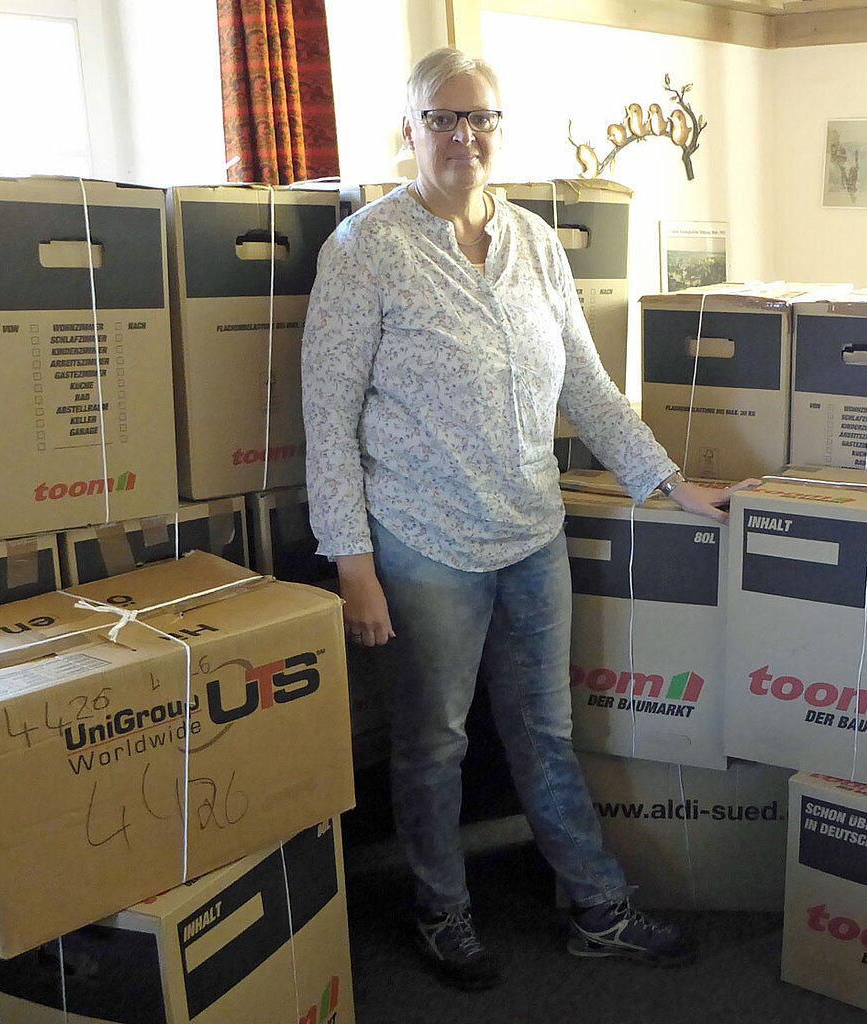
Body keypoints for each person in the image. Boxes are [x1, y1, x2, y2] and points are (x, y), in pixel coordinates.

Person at [301, 47, 750, 990]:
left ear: (499, 128)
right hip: (422, 543)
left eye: (480, 118)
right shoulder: (365, 249)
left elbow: (584, 384)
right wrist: (351, 562)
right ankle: (441, 910)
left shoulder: (537, 243)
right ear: (411, 129)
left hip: (531, 533)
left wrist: (669, 482)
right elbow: (327, 418)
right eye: (442, 118)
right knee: (434, 743)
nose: (463, 136)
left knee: (545, 732)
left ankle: (596, 906)